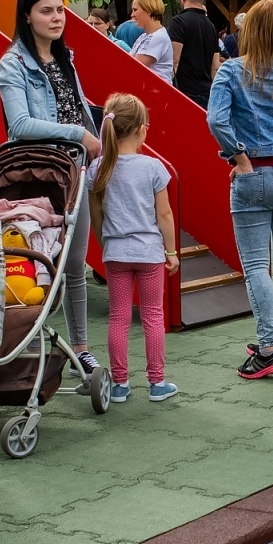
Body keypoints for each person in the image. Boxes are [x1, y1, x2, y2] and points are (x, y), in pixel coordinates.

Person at [0, 0, 105, 376]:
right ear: (27, 16)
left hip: (74, 174)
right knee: (34, 263)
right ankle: (21, 343)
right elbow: (21, 124)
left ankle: (80, 348)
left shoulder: (65, 59)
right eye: (46, 10)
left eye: (60, 10)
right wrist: (79, 134)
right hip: (39, 176)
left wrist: (97, 140)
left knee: (74, 264)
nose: (56, 17)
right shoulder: (14, 63)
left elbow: (78, 110)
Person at [207, 0, 273, 379]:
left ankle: (267, 347)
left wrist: (238, 157)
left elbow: (215, 119)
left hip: (253, 174)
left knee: (255, 267)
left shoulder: (233, 70)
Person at [87, 93, 179, 403]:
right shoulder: (153, 168)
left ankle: (121, 384)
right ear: (141, 129)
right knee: (153, 316)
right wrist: (171, 251)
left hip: (116, 253)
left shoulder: (99, 168)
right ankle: (156, 382)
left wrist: (106, 243)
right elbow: (164, 214)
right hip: (150, 252)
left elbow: (96, 214)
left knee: (118, 318)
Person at [168, 0, 221, 107]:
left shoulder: (179, 22)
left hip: (185, 93)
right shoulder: (211, 26)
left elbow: (174, 60)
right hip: (207, 92)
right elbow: (215, 65)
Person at [129, 0, 173, 83]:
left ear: (148, 10)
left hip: (156, 93)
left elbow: (133, 67)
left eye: (135, 10)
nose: (132, 15)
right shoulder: (145, 36)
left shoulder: (158, 37)